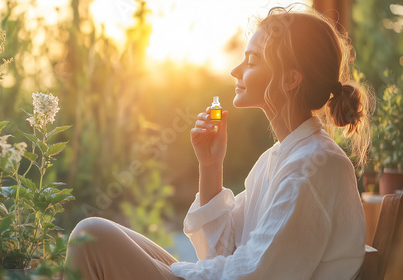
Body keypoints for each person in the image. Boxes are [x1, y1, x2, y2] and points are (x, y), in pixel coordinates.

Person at [65, 5, 373, 280]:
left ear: (290, 79)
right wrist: (210, 165)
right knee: (97, 234)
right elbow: (221, 253)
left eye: (251, 61)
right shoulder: (280, 157)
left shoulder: (312, 167)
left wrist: (177, 272)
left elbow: (255, 273)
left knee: (90, 235)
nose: (235, 70)